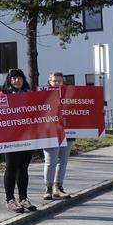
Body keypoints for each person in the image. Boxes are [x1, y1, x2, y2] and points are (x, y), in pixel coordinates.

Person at [0, 68, 37, 214]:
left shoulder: (30, 95)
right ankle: (10, 199)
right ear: (9, 80)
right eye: (14, 78)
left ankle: (23, 198)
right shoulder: (1, 96)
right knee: (11, 168)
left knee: (23, 169)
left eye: (19, 78)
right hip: (9, 140)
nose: (17, 80)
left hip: (28, 138)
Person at [41, 71, 73, 201]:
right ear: (50, 82)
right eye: (55, 81)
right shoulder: (42, 95)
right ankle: (48, 188)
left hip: (69, 132)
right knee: (50, 162)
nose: (57, 83)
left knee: (63, 161)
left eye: (59, 81)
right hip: (50, 133)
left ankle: (58, 188)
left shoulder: (71, 94)